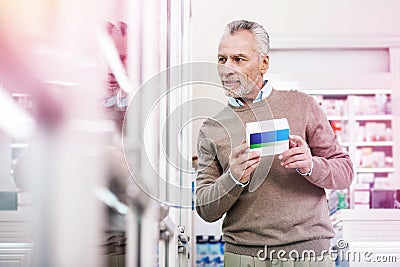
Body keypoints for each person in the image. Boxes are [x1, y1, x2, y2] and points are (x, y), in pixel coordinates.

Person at [195, 20, 353, 267]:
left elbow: (345, 173)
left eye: (239, 59)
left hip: (307, 254)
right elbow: (205, 208)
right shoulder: (212, 128)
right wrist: (233, 178)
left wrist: (311, 165)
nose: (227, 69)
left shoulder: (303, 106)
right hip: (244, 257)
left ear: (264, 63)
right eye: (222, 59)